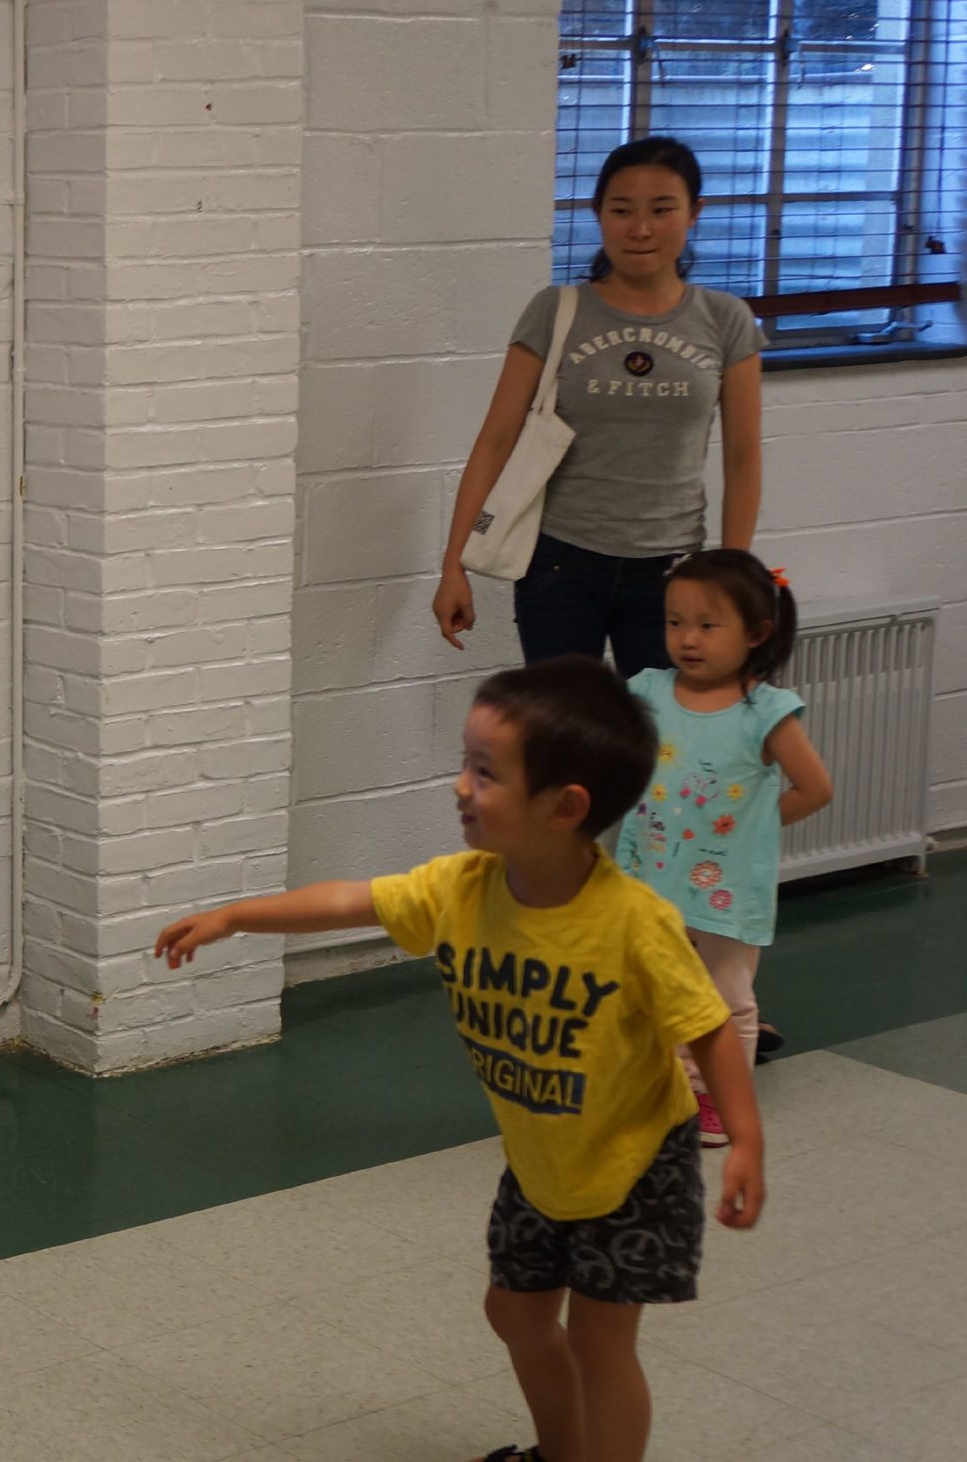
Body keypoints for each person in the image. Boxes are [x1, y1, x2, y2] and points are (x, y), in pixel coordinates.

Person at [155, 656, 765, 1462]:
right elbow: (352, 898)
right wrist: (236, 915)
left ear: (564, 806)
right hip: (542, 1158)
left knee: (600, 1341)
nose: (459, 786)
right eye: (465, 763)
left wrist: (746, 1139)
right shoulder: (464, 887)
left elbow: (708, 1025)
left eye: (485, 771)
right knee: (514, 1314)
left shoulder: (633, 922)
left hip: (637, 1162)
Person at [432, 137, 768, 677]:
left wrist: (733, 574)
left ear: (694, 214)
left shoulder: (726, 319)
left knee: (663, 727)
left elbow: (744, 459)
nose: (641, 229)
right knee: (565, 725)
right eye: (622, 210)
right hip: (559, 566)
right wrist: (454, 566)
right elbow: (494, 441)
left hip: (673, 571)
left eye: (662, 210)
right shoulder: (556, 310)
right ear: (599, 214)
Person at [619, 550, 832, 1141]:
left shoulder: (766, 712)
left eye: (708, 625)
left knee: (725, 999)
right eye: (675, 622)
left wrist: (749, 831)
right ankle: (666, 1088)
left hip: (723, 892)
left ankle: (716, 1098)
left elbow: (815, 789)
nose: (688, 639)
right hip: (650, 881)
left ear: (756, 633)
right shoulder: (647, 692)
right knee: (654, 989)